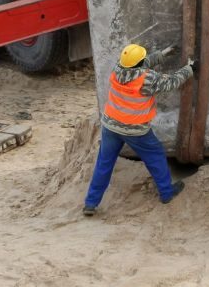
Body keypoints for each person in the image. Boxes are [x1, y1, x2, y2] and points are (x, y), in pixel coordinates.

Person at [82, 44, 196, 216]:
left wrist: (163, 54)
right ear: (139, 62)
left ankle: (91, 203)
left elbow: (142, 63)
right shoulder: (147, 79)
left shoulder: (118, 69)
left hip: (111, 126)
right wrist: (189, 69)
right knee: (155, 155)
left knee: (104, 164)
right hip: (135, 130)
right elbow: (171, 82)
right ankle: (166, 192)